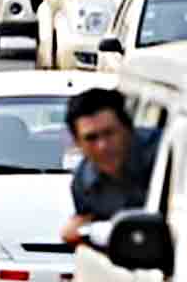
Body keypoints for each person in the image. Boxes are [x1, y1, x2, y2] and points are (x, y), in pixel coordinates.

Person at [60, 87, 161, 245]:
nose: (103, 146)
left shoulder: (162, 153)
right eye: (91, 138)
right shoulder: (84, 184)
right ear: (78, 144)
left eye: (109, 133)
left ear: (128, 129)